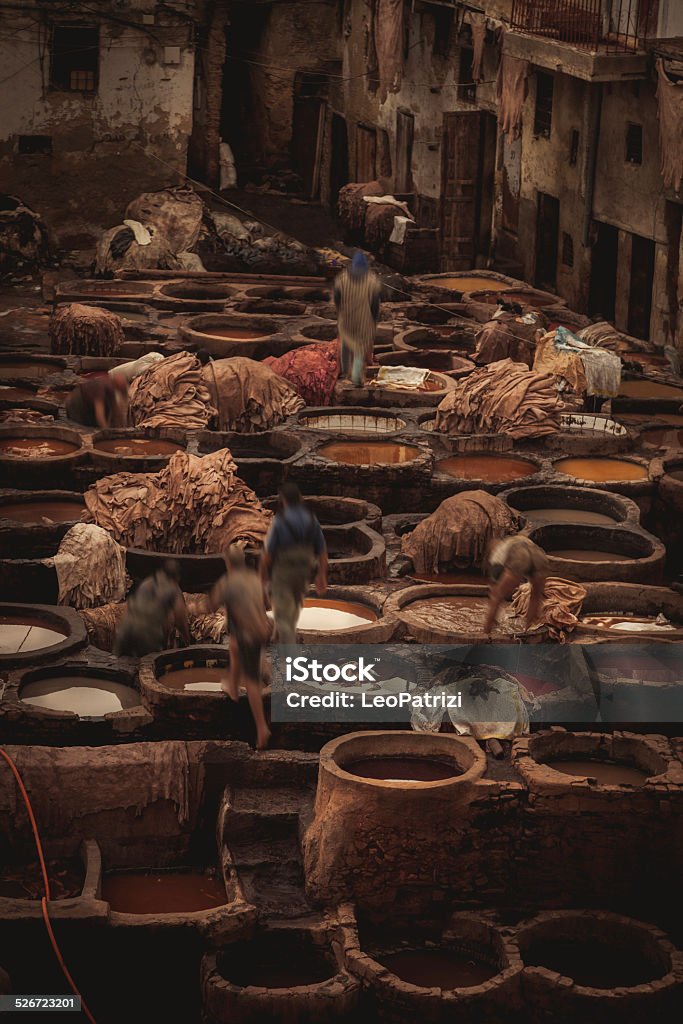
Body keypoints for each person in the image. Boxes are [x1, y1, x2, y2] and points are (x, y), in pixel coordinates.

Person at [210, 545, 272, 750]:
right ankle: (233, 688)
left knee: (252, 680)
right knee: (234, 647)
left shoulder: (227, 582)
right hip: (260, 630)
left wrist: (193, 607)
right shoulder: (254, 578)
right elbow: (268, 604)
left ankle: (262, 728)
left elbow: (210, 606)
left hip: (250, 635)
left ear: (228, 563)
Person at [260, 482, 328, 644]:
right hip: (303, 572)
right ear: (299, 498)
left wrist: (262, 578)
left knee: (285, 619)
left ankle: (291, 660)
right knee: (293, 609)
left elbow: (267, 555)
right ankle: (278, 637)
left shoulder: (280, 521)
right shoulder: (311, 519)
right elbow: (322, 551)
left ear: (283, 500)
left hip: (284, 573)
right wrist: (321, 575)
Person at [115, 560, 190, 658]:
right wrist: (187, 640)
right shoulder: (173, 588)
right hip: (146, 632)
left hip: (126, 625)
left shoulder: (149, 581)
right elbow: (180, 616)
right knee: (148, 666)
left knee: (118, 660)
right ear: (177, 577)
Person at [333, 251, 382, 386]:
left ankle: (344, 373)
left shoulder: (342, 278)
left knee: (345, 344)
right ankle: (356, 377)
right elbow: (374, 304)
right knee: (359, 348)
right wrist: (373, 319)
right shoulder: (372, 280)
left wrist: (340, 312)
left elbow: (337, 299)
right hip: (363, 320)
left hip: (346, 318)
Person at [484, 536, 548, 634]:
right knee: (536, 596)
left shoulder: (497, 553)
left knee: (496, 597)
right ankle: (528, 630)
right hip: (539, 555)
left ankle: (486, 634)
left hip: (520, 555)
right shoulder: (512, 540)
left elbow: (494, 586)